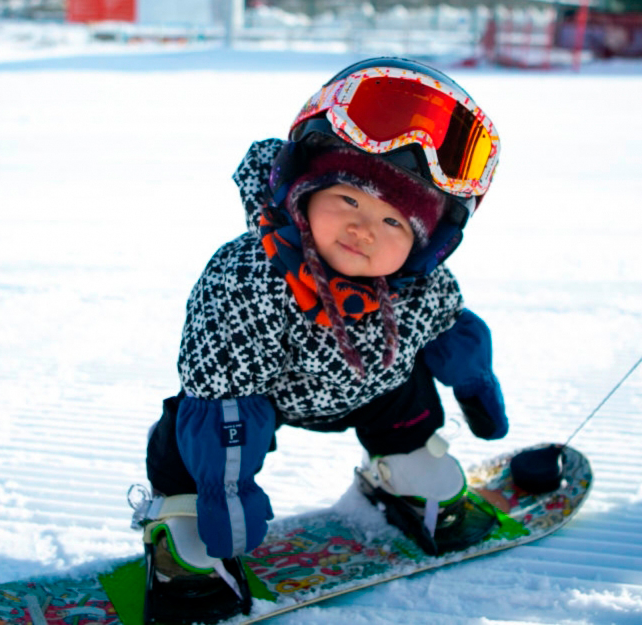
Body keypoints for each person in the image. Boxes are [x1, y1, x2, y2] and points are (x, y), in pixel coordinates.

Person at [138, 57, 506, 623]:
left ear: (427, 245)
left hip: (371, 389)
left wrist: (475, 382)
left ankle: (404, 466)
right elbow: (223, 406)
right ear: (301, 192)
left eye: (393, 224)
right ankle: (183, 520)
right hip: (260, 401)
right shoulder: (248, 279)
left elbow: (450, 333)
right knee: (191, 434)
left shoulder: (417, 288)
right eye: (350, 200)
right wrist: (223, 492)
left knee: (408, 389)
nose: (364, 229)